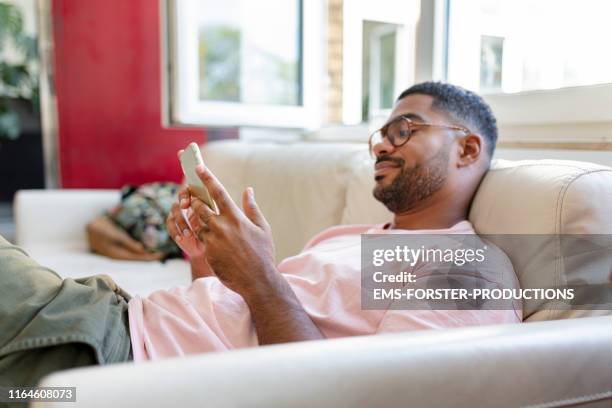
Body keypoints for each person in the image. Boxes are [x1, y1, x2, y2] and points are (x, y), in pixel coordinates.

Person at [0, 82, 521, 387]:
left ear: (468, 150)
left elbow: (358, 395)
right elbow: (246, 329)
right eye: (380, 135)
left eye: (403, 130)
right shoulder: (351, 237)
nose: (382, 145)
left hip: (115, 356)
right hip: (117, 320)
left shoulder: (464, 271)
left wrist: (258, 275)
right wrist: (207, 262)